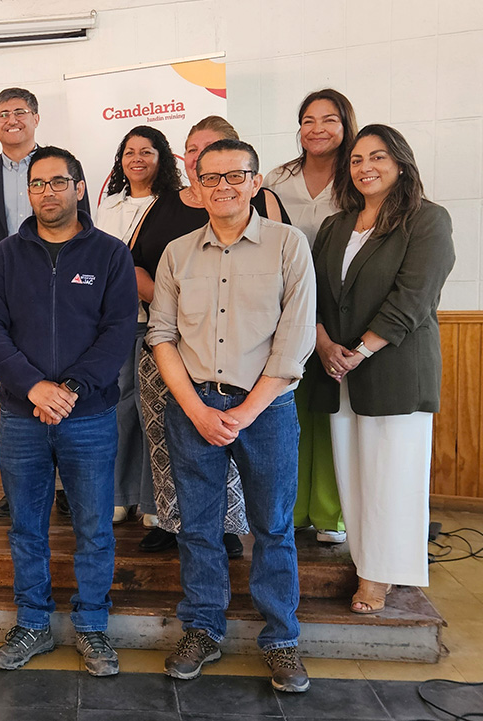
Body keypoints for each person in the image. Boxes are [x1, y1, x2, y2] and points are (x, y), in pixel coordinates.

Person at [148, 138, 315, 693]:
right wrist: (196, 409)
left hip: (266, 408)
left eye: (234, 175)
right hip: (193, 406)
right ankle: (202, 630)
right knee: (198, 528)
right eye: (210, 177)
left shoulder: (288, 244)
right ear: (195, 187)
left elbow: (294, 340)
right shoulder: (177, 253)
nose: (222, 186)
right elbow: (162, 335)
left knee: (273, 527)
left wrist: (244, 411)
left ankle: (282, 639)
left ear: (255, 181)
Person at [0, 146, 137, 675]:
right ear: (29, 193)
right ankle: (33, 623)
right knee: (27, 527)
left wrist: (67, 389)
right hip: (23, 418)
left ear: (79, 187)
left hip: (88, 416)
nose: (47, 192)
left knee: (94, 527)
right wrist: (33, 388)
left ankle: (92, 625)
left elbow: (119, 331)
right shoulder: (5, 256)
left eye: (58, 182)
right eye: (38, 184)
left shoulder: (110, 255)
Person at [308, 125, 454, 613]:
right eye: (356, 159)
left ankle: (379, 574)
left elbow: (414, 297)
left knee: (392, 476)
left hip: (394, 368)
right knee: (354, 474)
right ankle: (366, 559)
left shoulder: (427, 219)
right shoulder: (336, 225)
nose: (365, 167)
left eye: (377, 157)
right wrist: (324, 343)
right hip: (337, 368)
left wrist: (361, 351)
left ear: (400, 164)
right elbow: (314, 294)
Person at [131, 116, 291, 557]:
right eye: (194, 151)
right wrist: (178, 306)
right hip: (176, 357)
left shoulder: (275, 223)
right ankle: (175, 526)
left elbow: (288, 316)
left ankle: (232, 532)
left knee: (267, 514)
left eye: (217, 152)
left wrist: (248, 408)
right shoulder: (166, 212)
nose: (208, 164)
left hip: (253, 376)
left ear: (252, 179)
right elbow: (135, 265)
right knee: (173, 453)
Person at [0, 87, 91, 520]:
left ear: (35, 117)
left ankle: (67, 486)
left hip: (63, 302)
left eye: (20, 111)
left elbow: (83, 230)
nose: (11, 119)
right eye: (3, 113)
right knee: (15, 391)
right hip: (5, 306)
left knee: (64, 382)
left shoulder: (61, 168)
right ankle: (18, 487)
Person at [264, 89, 359, 545]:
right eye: (308, 120)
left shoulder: (358, 175)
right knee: (291, 408)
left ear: (346, 125)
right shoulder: (277, 178)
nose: (317, 129)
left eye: (329, 119)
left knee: (333, 410)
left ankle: (329, 514)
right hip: (286, 303)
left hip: (343, 303)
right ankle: (295, 508)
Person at [94, 125, 181, 527]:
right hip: (115, 321)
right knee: (119, 406)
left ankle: (151, 501)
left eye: (147, 151)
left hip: (158, 322)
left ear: (162, 158)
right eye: (129, 152)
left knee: (154, 411)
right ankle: (119, 495)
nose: (137, 159)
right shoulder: (109, 206)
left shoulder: (174, 205)